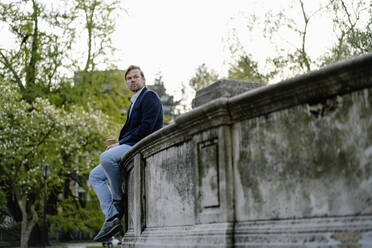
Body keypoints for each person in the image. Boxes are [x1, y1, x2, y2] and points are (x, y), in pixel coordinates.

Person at [89, 65, 163, 241]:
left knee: (106, 157)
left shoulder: (149, 96)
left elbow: (146, 128)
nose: (132, 80)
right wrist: (119, 143)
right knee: (95, 176)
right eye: (129, 78)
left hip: (141, 144)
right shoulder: (133, 102)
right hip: (130, 144)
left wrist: (120, 143)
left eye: (136, 77)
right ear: (126, 82)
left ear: (143, 79)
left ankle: (117, 199)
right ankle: (112, 217)